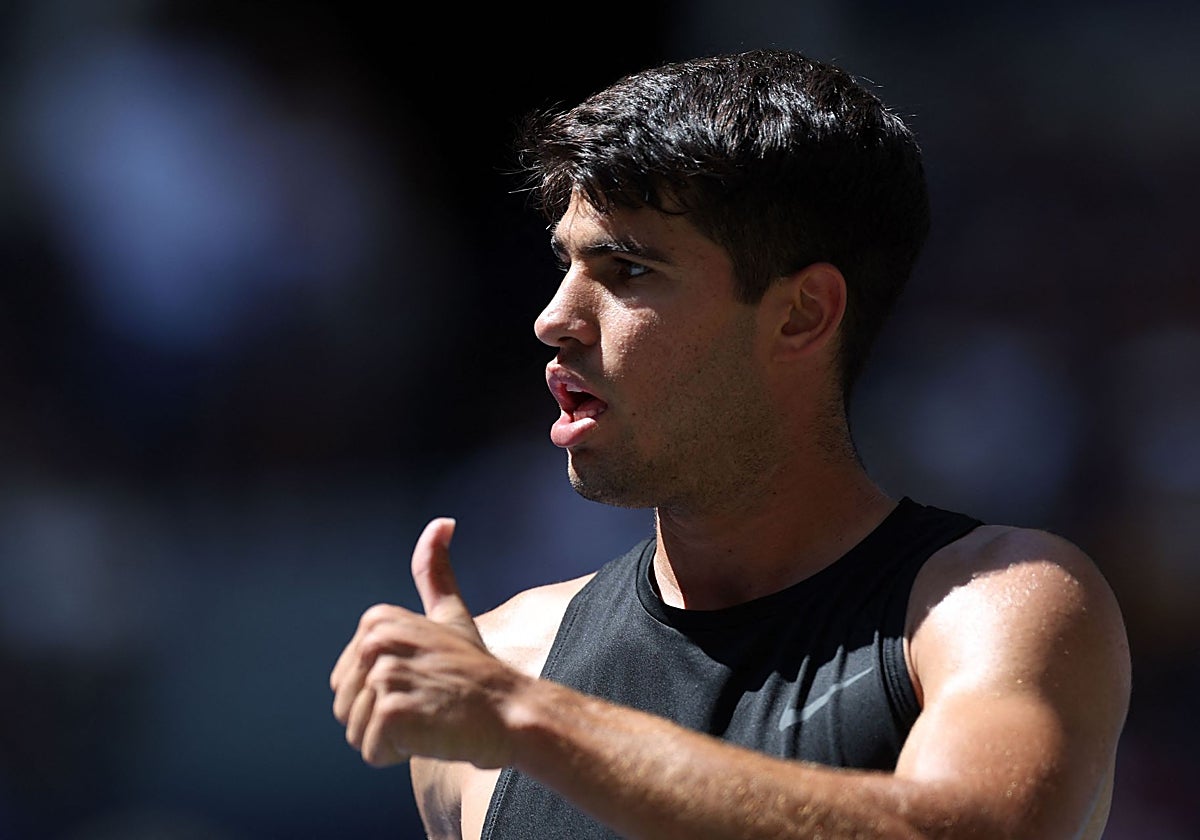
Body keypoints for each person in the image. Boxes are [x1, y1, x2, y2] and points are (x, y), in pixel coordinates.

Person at [330, 48, 1131, 839]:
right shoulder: (505, 660)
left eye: (629, 269)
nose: (554, 318)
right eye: (567, 262)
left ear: (802, 314)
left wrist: (529, 721)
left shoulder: (995, 604)